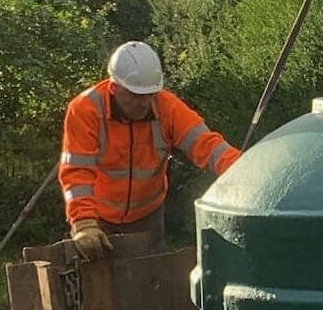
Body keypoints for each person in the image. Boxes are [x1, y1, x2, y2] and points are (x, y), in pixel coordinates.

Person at [59, 41, 240, 260]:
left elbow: (208, 145)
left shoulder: (168, 107)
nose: (145, 103)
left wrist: (246, 170)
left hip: (148, 218)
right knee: (100, 290)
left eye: (151, 94)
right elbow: (76, 172)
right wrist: (84, 223)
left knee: (151, 285)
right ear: (114, 88)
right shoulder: (85, 110)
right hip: (98, 218)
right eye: (136, 95)